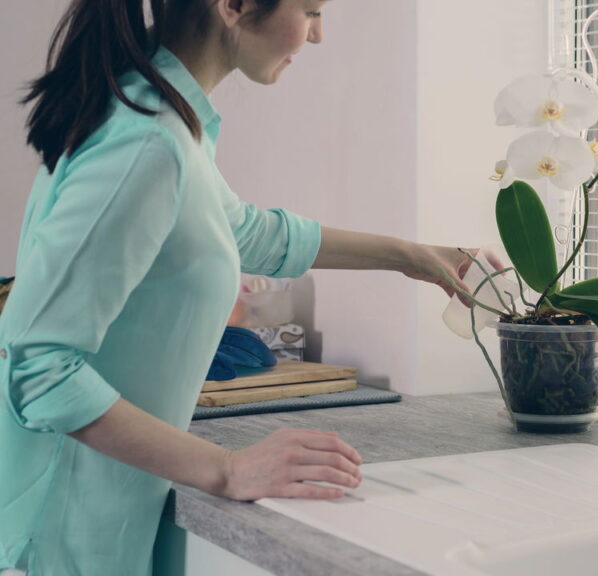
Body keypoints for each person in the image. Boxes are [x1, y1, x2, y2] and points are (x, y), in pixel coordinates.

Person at [0, 1, 479, 574]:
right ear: (233, 6)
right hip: (62, 529)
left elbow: (241, 229)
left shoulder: (162, 116)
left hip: (98, 510)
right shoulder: (145, 141)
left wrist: (411, 256)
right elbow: (37, 367)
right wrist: (226, 468)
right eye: (310, 10)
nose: (319, 35)